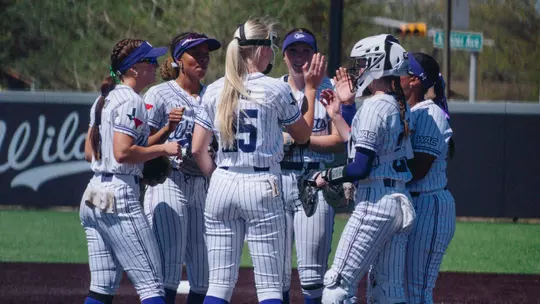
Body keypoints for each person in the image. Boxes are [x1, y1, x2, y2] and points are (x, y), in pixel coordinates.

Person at [190, 17, 326, 304]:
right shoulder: (275, 89)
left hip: (222, 181)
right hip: (261, 182)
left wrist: (217, 178)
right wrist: (311, 91)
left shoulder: (214, 89)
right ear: (262, 49)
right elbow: (302, 135)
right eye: (271, 45)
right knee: (268, 288)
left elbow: (197, 149)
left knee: (218, 286)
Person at [313, 34, 416, 303]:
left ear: (376, 64)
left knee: (336, 286)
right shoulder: (397, 105)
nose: (358, 70)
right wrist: (338, 113)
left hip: (375, 200)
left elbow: (359, 167)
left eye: (361, 63)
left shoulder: (374, 106)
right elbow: (361, 146)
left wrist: (327, 175)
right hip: (398, 200)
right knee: (388, 290)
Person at [81, 38, 181, 304]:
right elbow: (123, 153)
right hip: (119, 195)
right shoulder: (132, 100)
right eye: (150, 61)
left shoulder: (103, 99)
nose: (156, 65)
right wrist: (163, 150)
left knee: (101, 287)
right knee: (152, 285)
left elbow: (91, 153)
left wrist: (163, 135)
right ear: (134, 68)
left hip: (92, 194)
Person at [142, 31, 221, 304]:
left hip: (203, 186)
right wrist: (167, 129)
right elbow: (140, 146)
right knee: (168, 269)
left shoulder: (214, 95)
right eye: (195, 53)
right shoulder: (159, 93)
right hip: (168, 181)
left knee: (205, 273)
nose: (202, 58)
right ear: (178, 59)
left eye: (205, 53)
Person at [278, 27, 344, 304]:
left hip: (316, 179)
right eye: (293, 50)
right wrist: (299, 138)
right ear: (284, 56)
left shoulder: (329, 89)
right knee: (275, 271)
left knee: (312, 274)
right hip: (276, 181)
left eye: (306, 50)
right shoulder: (273, 89)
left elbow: (340, 140)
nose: (300, 57)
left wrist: (300, 140)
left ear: (316, 56)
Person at [400, 52, 456, 304]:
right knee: (395, 286)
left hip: (428, 204)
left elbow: (419, 168)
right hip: (409, 203)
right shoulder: (403, 110)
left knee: (417, 290)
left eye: (401, 69)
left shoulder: (430, 113)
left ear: (415, 80)